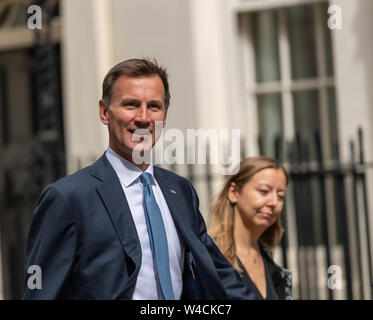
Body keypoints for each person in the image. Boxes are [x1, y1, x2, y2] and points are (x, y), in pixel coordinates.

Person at [23, 58, 255, 300]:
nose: (143, 117)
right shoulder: (69, 198)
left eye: (154, 106)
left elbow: (216, 272)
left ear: (164, 118)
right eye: (131, 105)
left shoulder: (181, 191)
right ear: (104, 112)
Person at [208, 156, 292, 300]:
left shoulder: (274, 269)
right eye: (264, 191)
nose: (273, 202)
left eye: (280, 196)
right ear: (234, 192)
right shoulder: (210, 256)